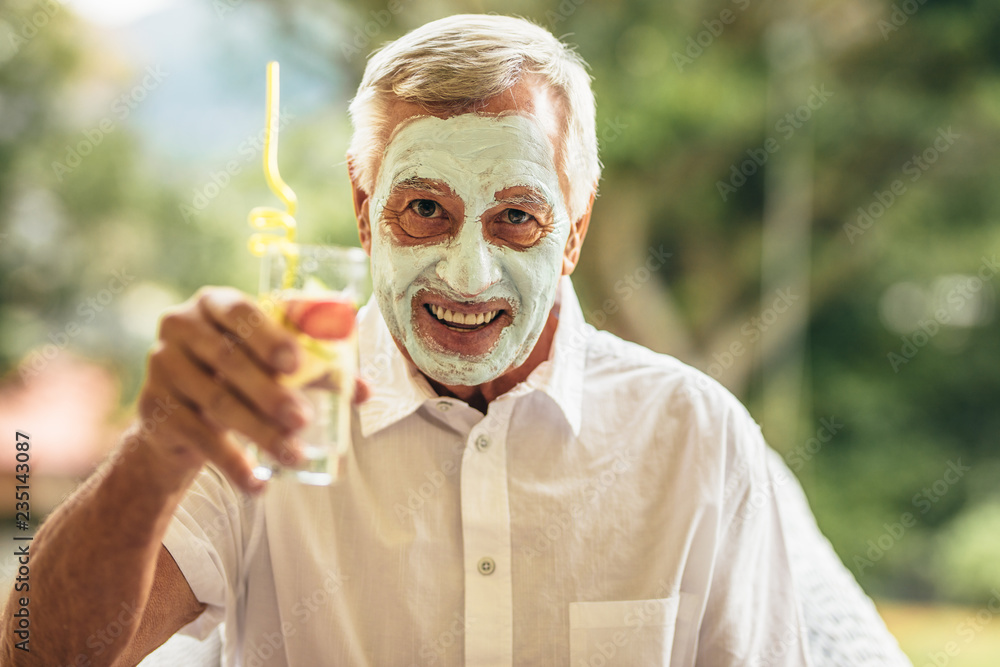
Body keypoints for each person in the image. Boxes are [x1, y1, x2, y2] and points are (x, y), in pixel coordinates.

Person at [1, 14, 910, 667]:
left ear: (576, 229)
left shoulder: (695, 436)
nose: (467, 275)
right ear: (365, 216)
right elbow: (36, 655)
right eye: (424, 210)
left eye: (517, 217)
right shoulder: (270, 415)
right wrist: (154, 452)